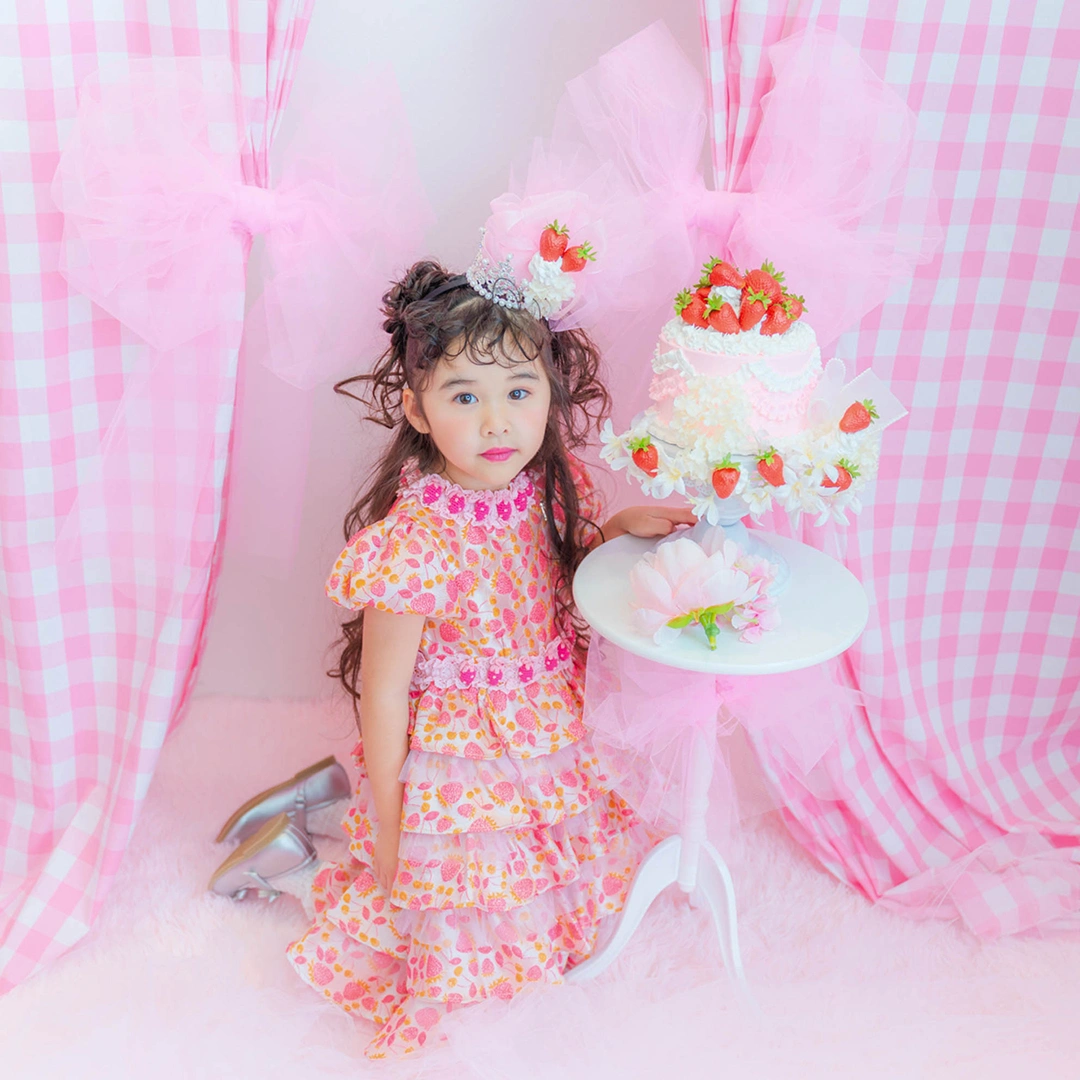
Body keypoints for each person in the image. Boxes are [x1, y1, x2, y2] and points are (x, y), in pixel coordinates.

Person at [207, 255, 695, 1058]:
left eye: (519, 392)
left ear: (550, 392)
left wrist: (614, 531)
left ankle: (318, 796)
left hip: (543, 725)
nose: (497, 423)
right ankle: (290, 863)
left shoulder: (545, 486)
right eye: (465, 397)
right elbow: (384, 692)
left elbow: (555, 574)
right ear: (418, 408)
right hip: (465, 753)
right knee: (452, 923)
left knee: (562, 875)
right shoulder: (415, 544)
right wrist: (392, 823)